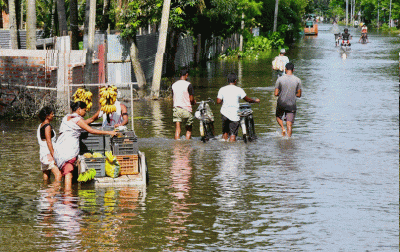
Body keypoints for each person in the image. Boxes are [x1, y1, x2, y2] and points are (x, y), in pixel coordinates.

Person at [54, 101, 117, 192]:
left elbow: (88, 121)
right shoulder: (77, 119)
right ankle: (68, 197)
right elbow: (91, 130)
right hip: (67, 150)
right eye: (84, 110)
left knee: (63, 172)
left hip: (59, 149)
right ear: (79, 109)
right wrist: (109, 132)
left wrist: (98, 113)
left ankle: (59, 192)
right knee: (68, 173)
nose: (85, 112)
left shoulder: (67, 117)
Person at [217, 72, 260, 142]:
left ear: (227, 80)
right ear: (235, 81)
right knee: (233, 134)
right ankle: (232, 149)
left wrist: (225, 102)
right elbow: (247, 99)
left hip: (224, 113)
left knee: (225, 132)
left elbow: (218, 101)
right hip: (234, 114)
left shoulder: (222, 89)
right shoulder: (239, 89)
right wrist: (255, 101)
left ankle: (224, 149)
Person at [274, 62, 302, 137]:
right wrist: (293, 94)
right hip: (291, 104)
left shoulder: (280, 79)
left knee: (278, 116)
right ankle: (288, 141)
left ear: (285, 69)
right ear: (293, 70)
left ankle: (283, 128)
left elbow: (276, 93)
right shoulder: (298, 80)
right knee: (289, 125)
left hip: (281, 103)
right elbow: (299, 95)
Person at [37, 106, 62, 182]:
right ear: (47, 116)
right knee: (58, 175)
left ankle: (45, 192)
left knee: (46, 175)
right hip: (48, 154)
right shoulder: (47, 126)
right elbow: (49, 141)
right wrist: (54, 155)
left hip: (43, 153)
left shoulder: (41, 125)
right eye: (52, 114)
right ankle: (54, 191)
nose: (53, 115)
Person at [172, 68, 196, 140]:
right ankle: (187, 147)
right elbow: (191, 100)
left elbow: (173, 97)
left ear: (180, 75)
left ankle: (176, 147)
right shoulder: (189, 85)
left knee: (177, 129)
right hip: (186, 110)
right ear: (187, 75)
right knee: (188, 130)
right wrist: (193, 102)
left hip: (176, 109)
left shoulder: (174, 85)